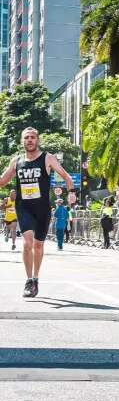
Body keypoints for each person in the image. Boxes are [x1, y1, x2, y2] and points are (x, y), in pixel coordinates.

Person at [0, 127, 74, 298]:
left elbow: (66, 176)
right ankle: (28, 281)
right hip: (24, 207)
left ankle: (35, 278)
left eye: (33, 137)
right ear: (22, 141)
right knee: (27, 242)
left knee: (38, 245)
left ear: (37, 140)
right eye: (26, 137)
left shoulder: (47, 158)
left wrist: (71, 193)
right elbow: (3, 181)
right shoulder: (16, 161)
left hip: (42, 208)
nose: (30, 140)